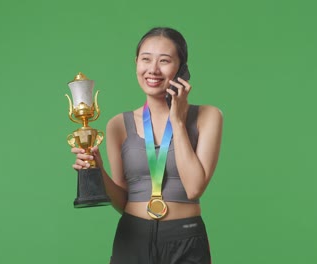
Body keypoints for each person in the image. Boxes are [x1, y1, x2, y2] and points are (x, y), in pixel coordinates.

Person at [71, 27, 223, 264]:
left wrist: (178, 121)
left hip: (186, 239)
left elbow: (194, 188)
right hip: (131, 238)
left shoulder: (208, 116)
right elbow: (123, 201)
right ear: (136, 63)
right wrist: (97, 169)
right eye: (146, 59)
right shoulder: (117, 125)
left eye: (164, 61)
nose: (153, 69)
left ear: (181, 68)